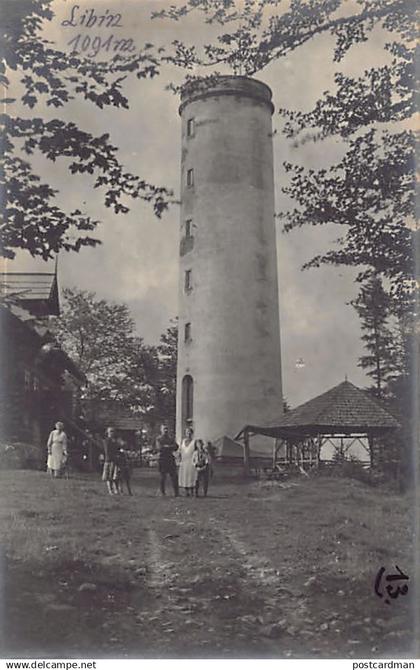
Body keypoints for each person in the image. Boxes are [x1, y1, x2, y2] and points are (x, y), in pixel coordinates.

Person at [155, 425, 179, 497]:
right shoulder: (159, 439)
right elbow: (159, 448)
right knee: (162, 477)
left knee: (174, 476)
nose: (165, 430)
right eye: (164, 429)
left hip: (170, 459)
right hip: (162, 459)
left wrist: (167, 446)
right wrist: (168, 447)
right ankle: (162, 492)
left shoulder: (171, 438)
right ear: (161, 430)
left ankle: (176, 492)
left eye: (166, 429)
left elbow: (176, 446)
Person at [178, 427, 197, 497]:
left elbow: (196, 452)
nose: (188, 434)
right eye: (187, 432)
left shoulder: (194, 442)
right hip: (184, 461)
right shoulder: (183, 441)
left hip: (191, 461)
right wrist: (179, 459)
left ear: (192, 433)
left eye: (189, 432)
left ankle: (192, 491)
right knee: (184, 476)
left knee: (191, 476)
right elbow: (180, 451)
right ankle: (186, 491)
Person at [102, 427, 120, 495]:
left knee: (115, 476)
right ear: (108, 432)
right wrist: (113, 456)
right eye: (111, 431)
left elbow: (117, 449)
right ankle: (110, 490)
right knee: (109, 476)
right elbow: (107, 451)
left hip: (115, 460)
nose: (112, 433)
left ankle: (116, 490)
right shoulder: (106, 441)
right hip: (109, 460)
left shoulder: (115, 441)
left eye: (113, 431)